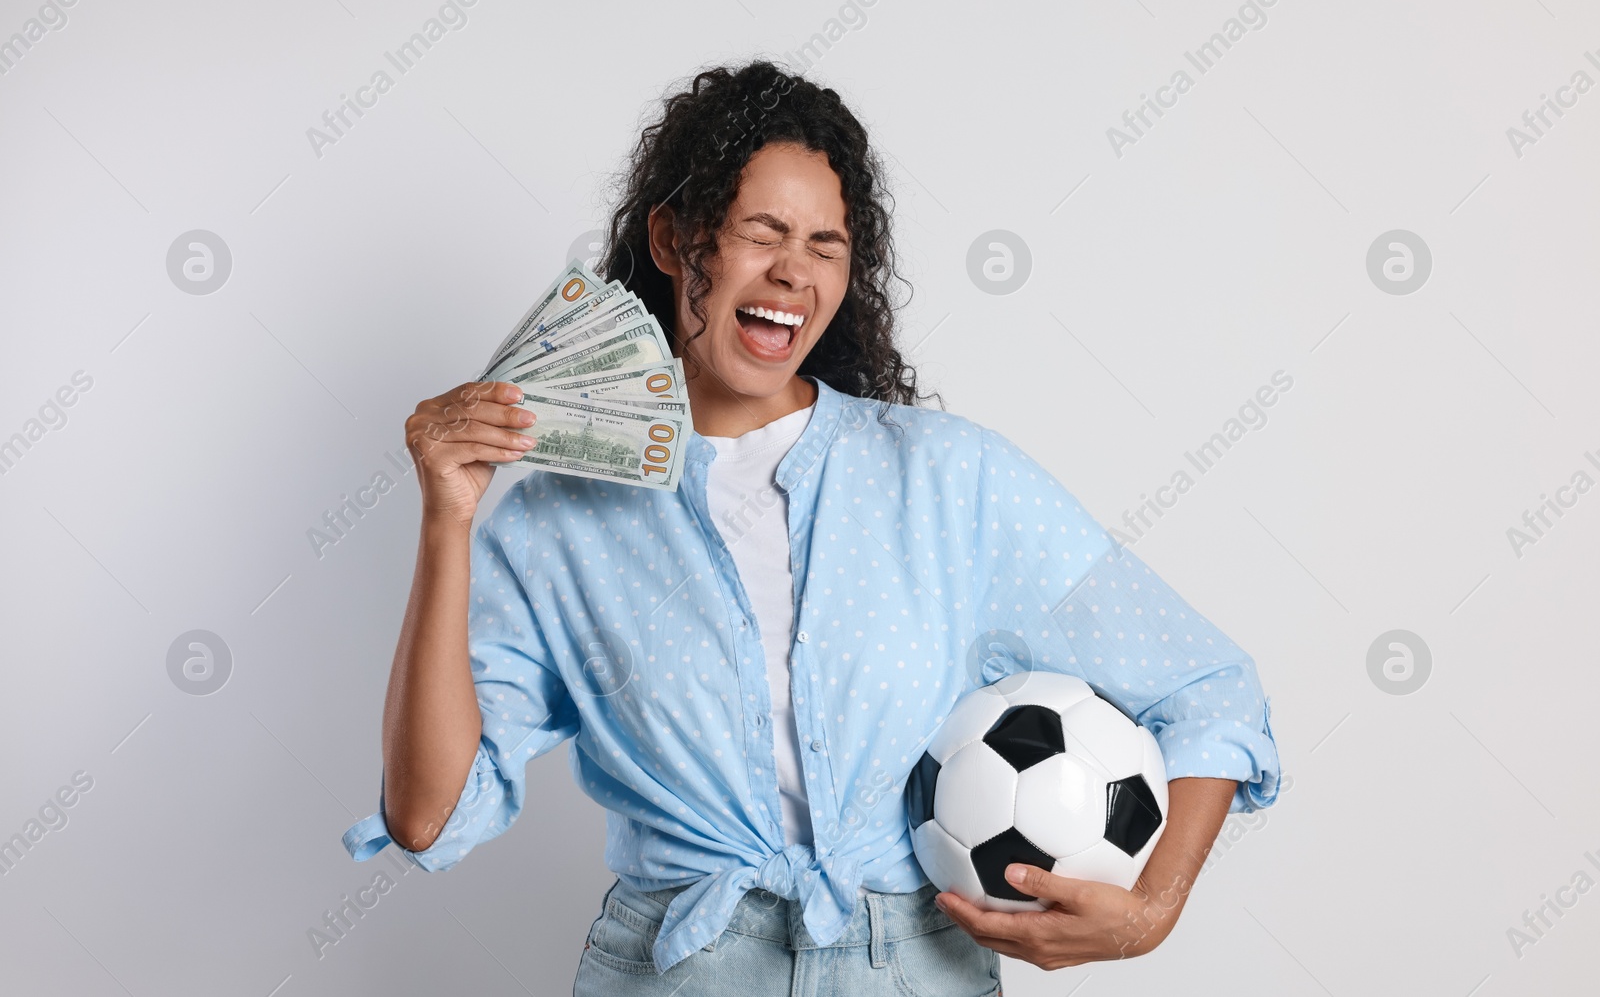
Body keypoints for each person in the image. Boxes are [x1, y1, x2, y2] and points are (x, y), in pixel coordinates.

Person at [341, 59, 1283, 994]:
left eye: (825, 244)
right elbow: (430, 812)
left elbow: (1207, 689)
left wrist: (1150, 913)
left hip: (915, 967)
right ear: (674, 240)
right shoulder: (557, 520)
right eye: (762, 232)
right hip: (676, 970)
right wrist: (448, 518)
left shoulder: (948, 478)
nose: (792, 271)